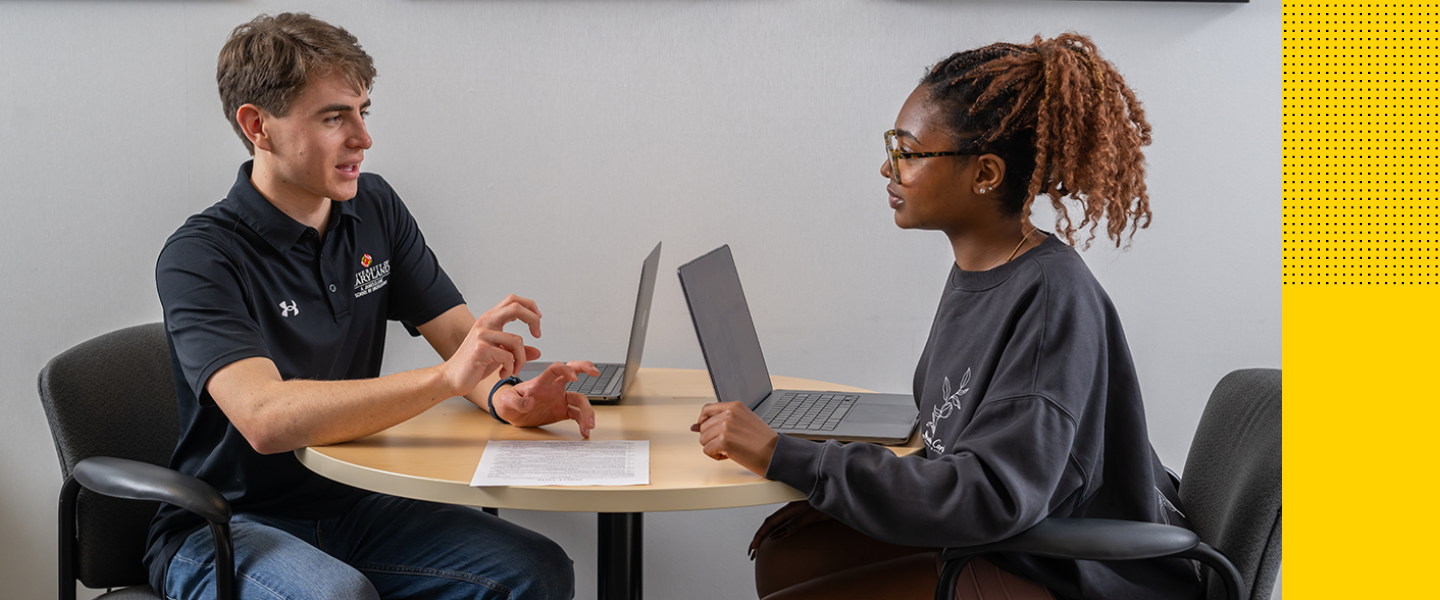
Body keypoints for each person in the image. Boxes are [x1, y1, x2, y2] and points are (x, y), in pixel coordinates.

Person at [692, 33, 1203, 600]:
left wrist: (786, 457)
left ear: (984, 174)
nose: (887, 167)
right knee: (790, 554)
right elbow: (950, 445)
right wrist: (836, 497)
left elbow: (991, 492)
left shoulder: (1051, 298)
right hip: (1011, 539)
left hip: (1077, 570)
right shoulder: (982, 269)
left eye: (908, 153)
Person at [144, 12, 596, 600]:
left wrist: (506, 397)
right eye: (334, 117)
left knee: (536, 569)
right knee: (337, 596)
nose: (363, 137)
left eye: (363, 111)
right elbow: (264, 417)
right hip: (225, 524)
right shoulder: (200, 256)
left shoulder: (375, 208)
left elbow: (462, 344)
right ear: (259, 126)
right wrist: (448, 379)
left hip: (354, 503)